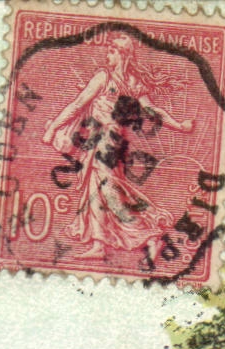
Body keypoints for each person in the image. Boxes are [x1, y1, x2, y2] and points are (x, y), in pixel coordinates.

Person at [38, 33, 196, 263]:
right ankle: (99, 244)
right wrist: (179, 125)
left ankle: (149, 236)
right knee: (99, 191)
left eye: (112, 51)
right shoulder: (130, 82)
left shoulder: (106, 78)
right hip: (106, 142)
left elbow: (77, 105)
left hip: (106, 142)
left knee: (110, 193)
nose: (107, 54)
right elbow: (152, 111)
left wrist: (53, 128)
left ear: (122, 55)